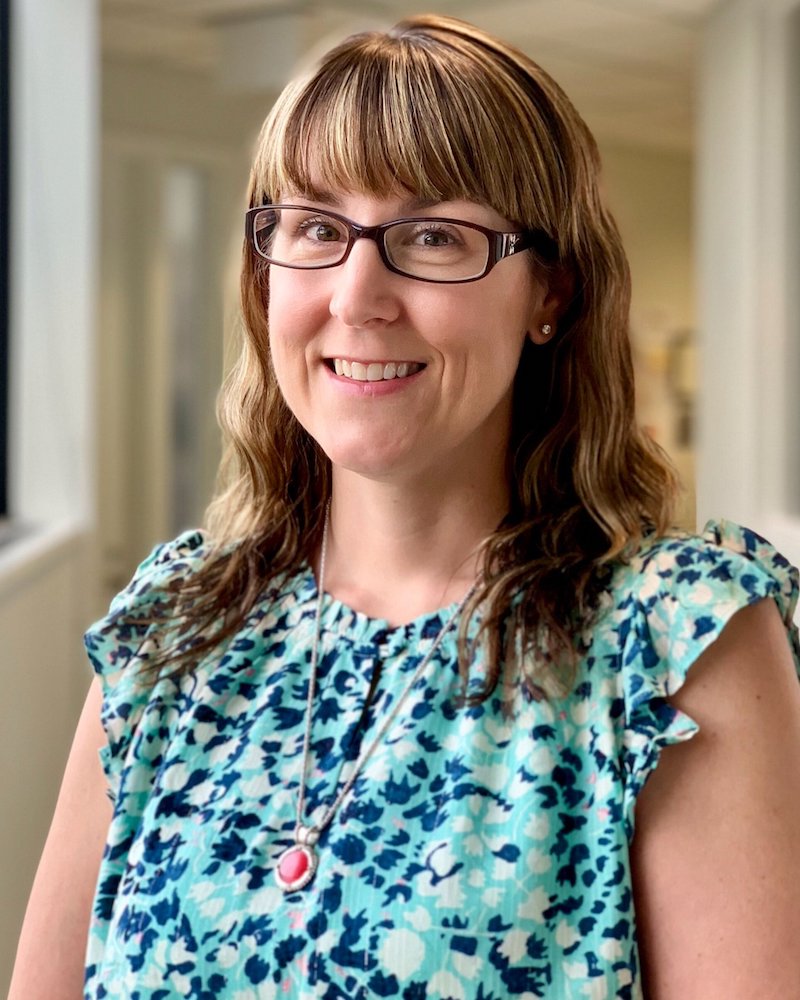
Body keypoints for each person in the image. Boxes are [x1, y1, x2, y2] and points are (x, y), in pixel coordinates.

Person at [10, 13, 800, 1000]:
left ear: (549, 292)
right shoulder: (170, 629)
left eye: (430, 236)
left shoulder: (670, 639)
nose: (357, 293)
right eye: (313, 228)